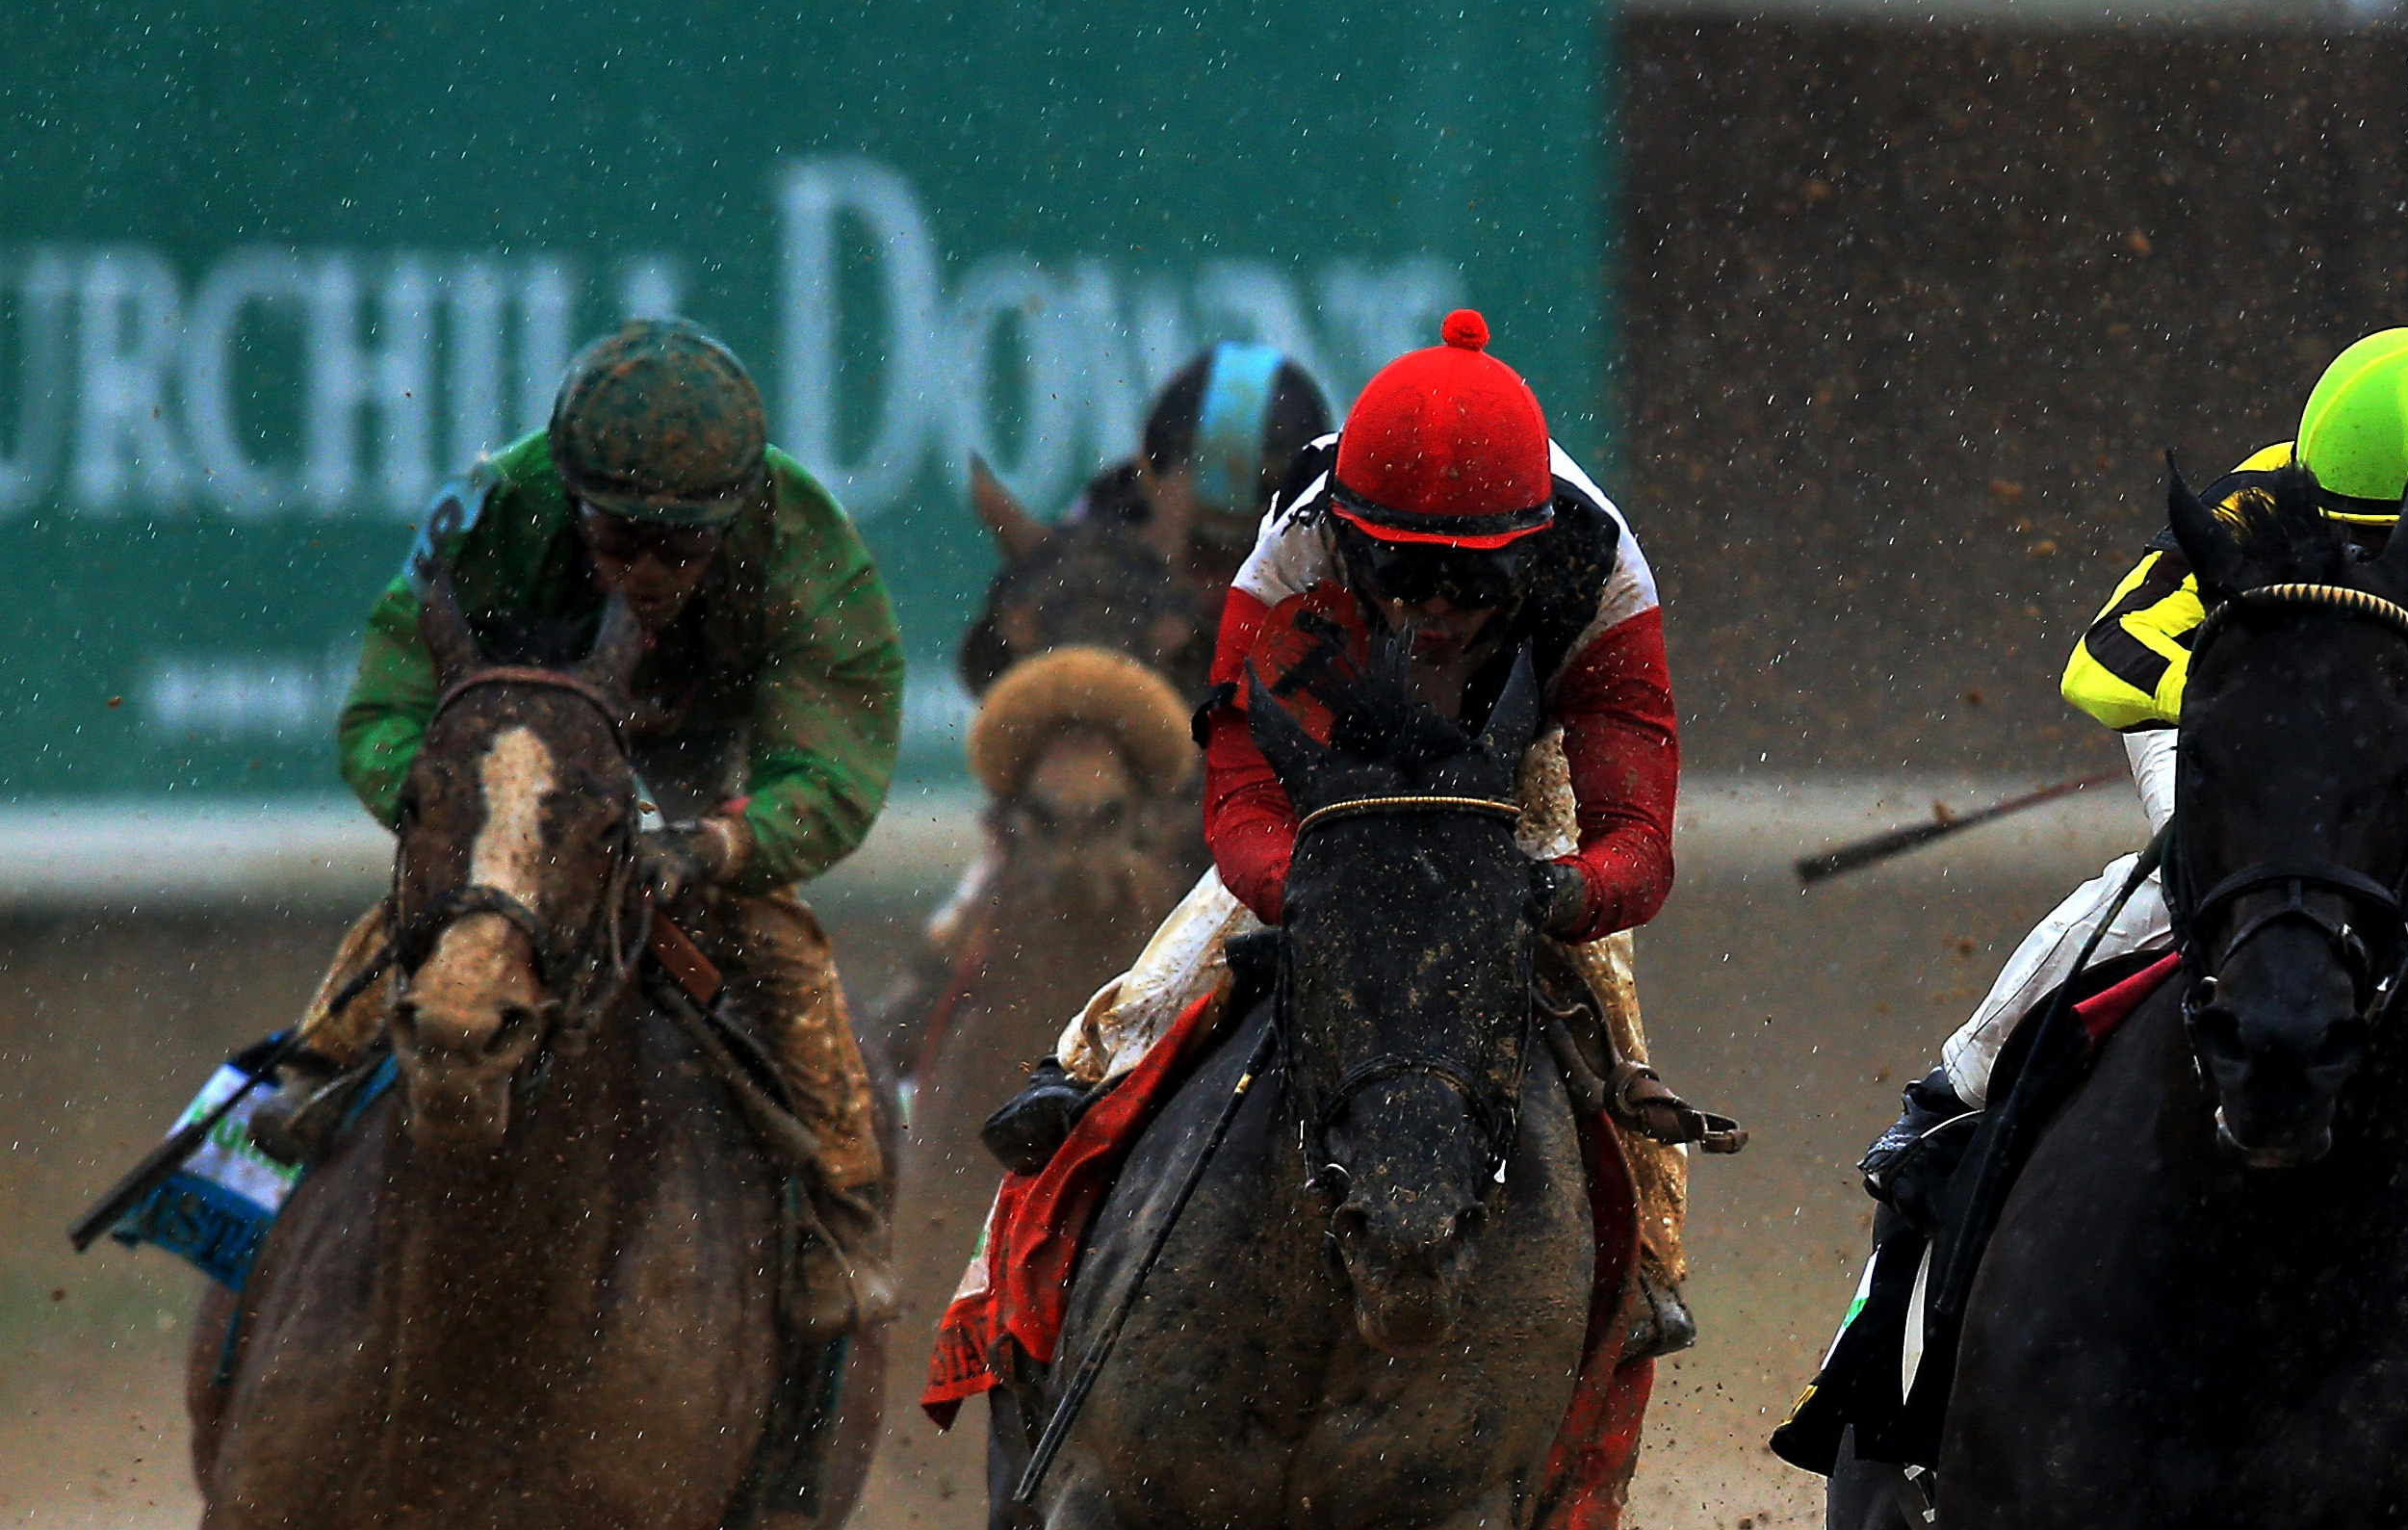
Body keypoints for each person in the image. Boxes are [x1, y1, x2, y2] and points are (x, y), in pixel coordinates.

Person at [1860, 325, 2408, 1360]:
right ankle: (1949, 1098)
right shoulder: (2253, 507)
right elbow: (2104, 661)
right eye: (2369, 555)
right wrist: (2277, 721)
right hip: (2263, 749)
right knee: (2172, 884)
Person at [1008, 309, 1705, 1358]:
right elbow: (1238, 795)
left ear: (1528, 553)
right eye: (1400, 571)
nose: (1429, 605)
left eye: (1467, 581)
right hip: (1338, 774)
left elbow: (1636, 844)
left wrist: (1560, 893)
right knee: (1190, 943)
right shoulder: (1295, 540)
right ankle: (1085, 1079)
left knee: (1608, 1004)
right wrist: (1316, 882)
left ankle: (1644, 1257)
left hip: (1522, 778)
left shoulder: (1600, 575)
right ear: (1350, 533)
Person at [265, 317, 905, 1337]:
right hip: (521, 764)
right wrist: (458, 812)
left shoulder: (810, 548)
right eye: (618, 541)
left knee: (776, 943)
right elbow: (385, 702)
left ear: (735, 515)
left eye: (681, 547)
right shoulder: (490, 503)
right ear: (567, 501)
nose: (648, 574)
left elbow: (833, 765)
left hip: (699, 780)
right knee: (446, 910)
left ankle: (841, 1202)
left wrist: (720, 845)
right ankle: (310, 1070)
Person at [882, 345, 1337, 1075]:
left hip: (1281, 813)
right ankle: (918, 1034)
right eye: (1199, 549)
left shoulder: (1336, 560)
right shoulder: (1099, 531)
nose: (1221, 578)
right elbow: (993, 663)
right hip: (1136, 811)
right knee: (985, 908)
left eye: (1245, 547)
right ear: (1151, 482)